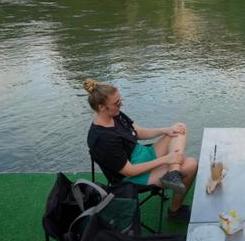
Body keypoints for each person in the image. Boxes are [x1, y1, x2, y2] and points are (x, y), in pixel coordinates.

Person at [83, 78, 198, 222]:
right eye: (116, 102)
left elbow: (137, 131)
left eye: (120, 99)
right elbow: (129, 171)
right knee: (190, 164)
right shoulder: (103, 138)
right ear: (101, 107)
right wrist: (165, 159)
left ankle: (173, 173)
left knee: (179, 128)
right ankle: (174, 211)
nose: (121, 104)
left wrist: (166, 130)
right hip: (132, 176)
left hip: (142, 154)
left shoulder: (115, 114)